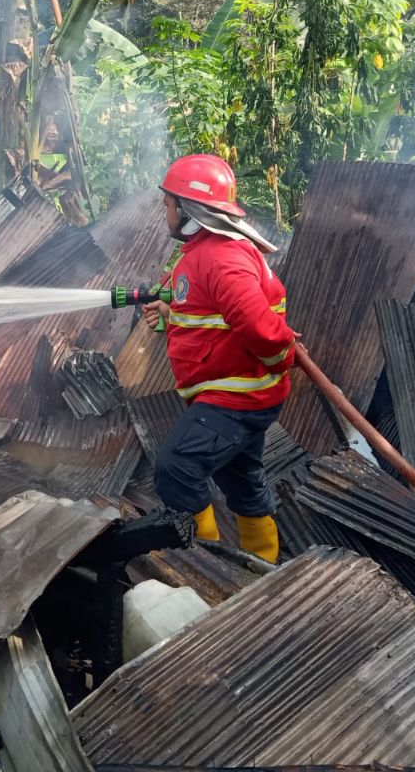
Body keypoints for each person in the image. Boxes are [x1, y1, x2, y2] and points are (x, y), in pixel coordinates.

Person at [141, 154, 295, 563]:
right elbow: (218, 317)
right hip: (236, 393)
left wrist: (282, 355)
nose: (165, 212)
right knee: (241, 480)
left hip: (236, 398)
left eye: (168, 204)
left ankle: (207, 568)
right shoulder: (205, 251)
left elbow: (257, 325)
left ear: (187, 208)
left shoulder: (220, 256)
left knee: (176, 468)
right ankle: (262, 567)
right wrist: (172, 313)